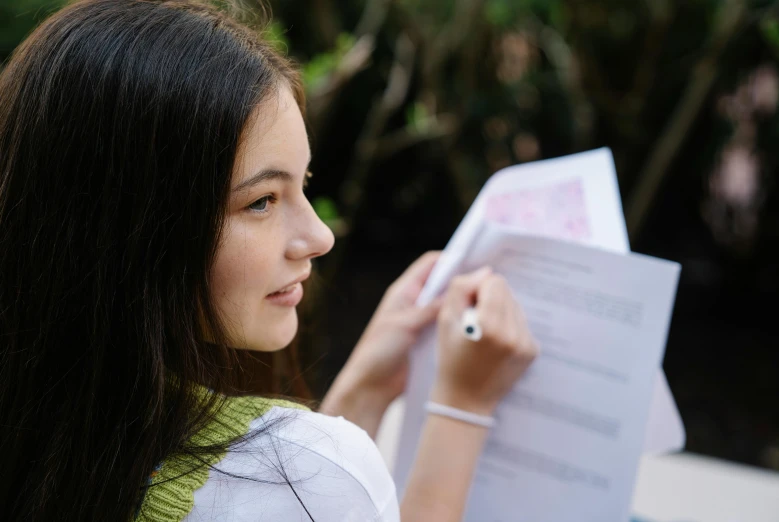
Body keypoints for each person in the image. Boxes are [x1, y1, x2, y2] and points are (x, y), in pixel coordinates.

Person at [0, 1, 539, 520]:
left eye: (302, 185)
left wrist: (365, 391)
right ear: (129, 231)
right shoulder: (294, 474)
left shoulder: (52, 438)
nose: (320, 236)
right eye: (261, 201)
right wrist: (463, 405)